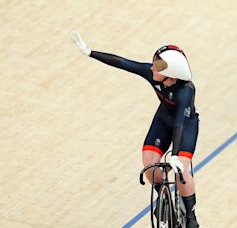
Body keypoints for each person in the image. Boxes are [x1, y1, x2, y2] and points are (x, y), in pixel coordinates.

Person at [72, 32, 200, 227]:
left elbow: (180, 124)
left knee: (182, 169)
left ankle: (190, 217)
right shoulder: (153, 75)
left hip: (185, 124)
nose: (151, 68)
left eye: (158, 66)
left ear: (172, 72)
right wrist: (90, 52)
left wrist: (174, 155)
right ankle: (163, 198)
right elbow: (124, 63)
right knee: (149, 165)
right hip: (163, 119)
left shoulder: (186, 91)